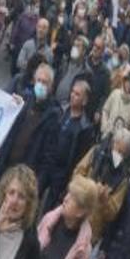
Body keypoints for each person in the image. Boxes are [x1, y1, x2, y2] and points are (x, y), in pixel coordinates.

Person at [0, 63, 60, 185]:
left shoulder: (53, 116)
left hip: (23, 176)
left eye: (45, 83)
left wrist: (37, 184)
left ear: (51, 86)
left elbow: (48, 157)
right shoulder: (24, 100)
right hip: (4, 166)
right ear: (34, 81)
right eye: (39, 81)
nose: (41, 85)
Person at [41, 80, 97, 213]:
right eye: (72, 92)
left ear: (84, 101)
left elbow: (80, 158)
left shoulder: (85, 128)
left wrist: (69, 180)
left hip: (62, 173)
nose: (72, 95)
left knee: (49, 209)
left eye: (77, 94)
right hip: (47, 163)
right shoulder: (61, 111)